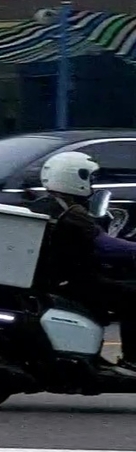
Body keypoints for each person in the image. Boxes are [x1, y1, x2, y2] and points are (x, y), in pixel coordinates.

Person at [27, 150, 136, 356]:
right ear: (74, 177)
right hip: (75, 282)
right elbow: (105, 246)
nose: (92, 185)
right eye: (90, 178)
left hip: (59, 279)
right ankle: (133, 359)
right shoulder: (73, 213)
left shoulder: (49, 204)